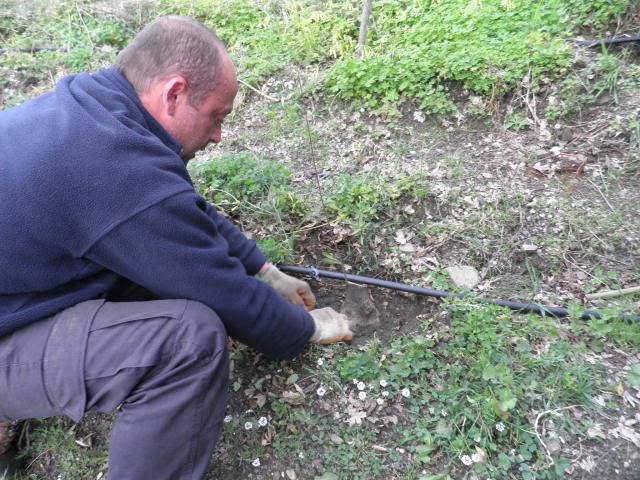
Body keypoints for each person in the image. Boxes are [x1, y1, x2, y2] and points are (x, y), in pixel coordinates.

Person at [0, 16, 353, 479]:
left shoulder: (96, 107)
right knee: (188, 339)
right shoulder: (117, 168)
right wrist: (302, 329)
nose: (218, 135)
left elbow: (177, 210)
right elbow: (221, 292)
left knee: (149, 275)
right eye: (217, 116)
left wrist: (262, 268)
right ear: (174, 93)